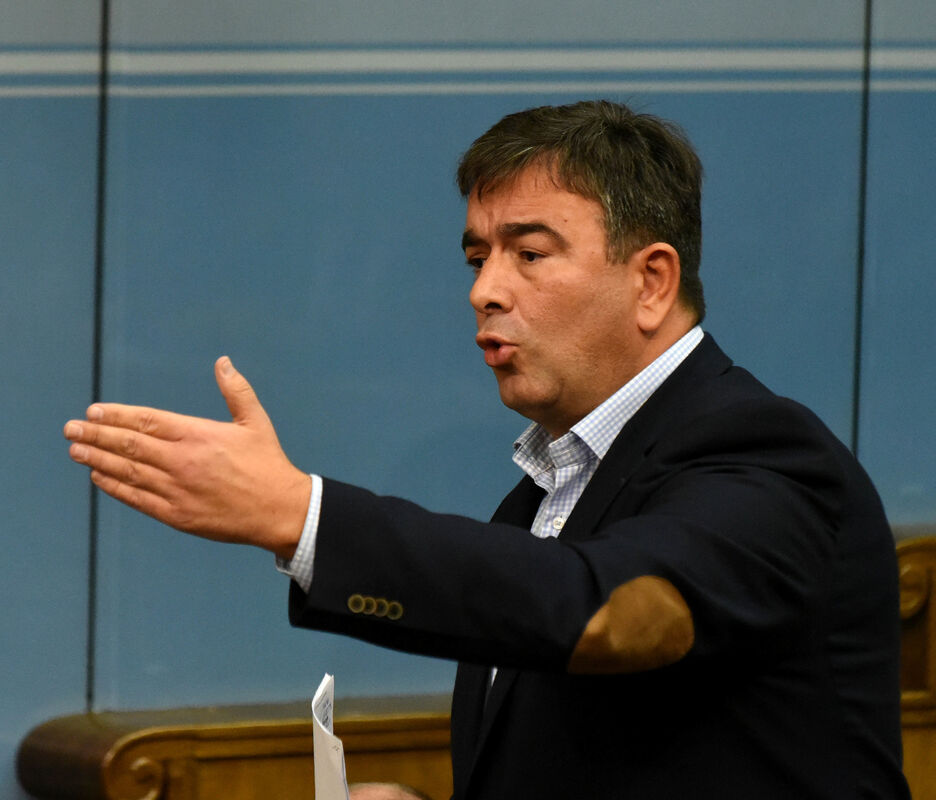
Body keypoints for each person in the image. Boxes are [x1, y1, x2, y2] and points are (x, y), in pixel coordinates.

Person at [64, 101, 909, 799]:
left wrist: (300, 515)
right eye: (478, 257)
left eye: (529, 254)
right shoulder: (550, 490)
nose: (484, 290)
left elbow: (614, 614)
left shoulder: (766, 454)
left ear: (651, 281)